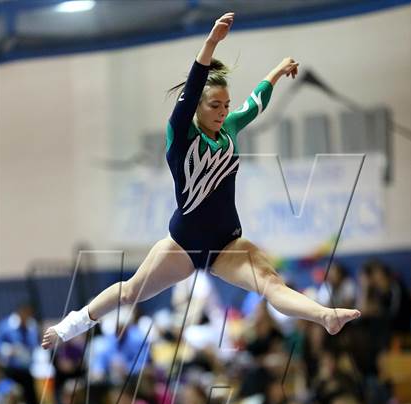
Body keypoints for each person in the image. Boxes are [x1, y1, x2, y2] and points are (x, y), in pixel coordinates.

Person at [42, 12, 360, 351]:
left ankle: (325, 316)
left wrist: (277, 72)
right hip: (182, 245)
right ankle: (70, 325)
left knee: (270, 283)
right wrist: (210, 44)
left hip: (227, 244)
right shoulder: (181, 134)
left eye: (225, 104)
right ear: (197, 107)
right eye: (214, 105)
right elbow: (193, 86)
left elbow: (256, 102)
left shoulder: (230, 130)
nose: (223, 111)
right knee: (131, 291)